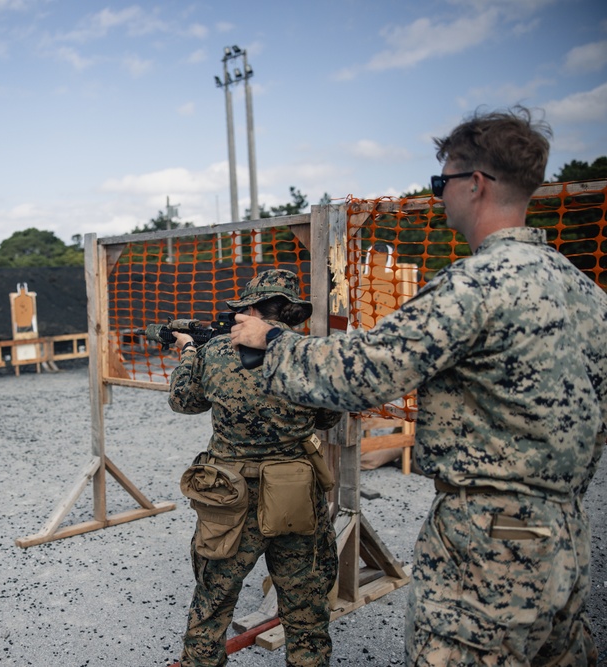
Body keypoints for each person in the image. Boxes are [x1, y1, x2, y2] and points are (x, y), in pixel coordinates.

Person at [230, 106, 606, 665]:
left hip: (488, 539)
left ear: (474, 184)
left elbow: (363, 372)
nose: (439, 196)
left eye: (442, 182)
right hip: (567, 533)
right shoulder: (587, 293)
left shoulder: (476, 285)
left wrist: (272, 342)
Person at [168, 269, 342, 667]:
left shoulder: (213, 352)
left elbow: (184, 401)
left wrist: (189, 351)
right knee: (306, 609)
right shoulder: (308, 351)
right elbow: (327, 420)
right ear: (289, 312)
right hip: (295, 493)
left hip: (229, 494)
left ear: (249, 308)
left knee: (212, 601)